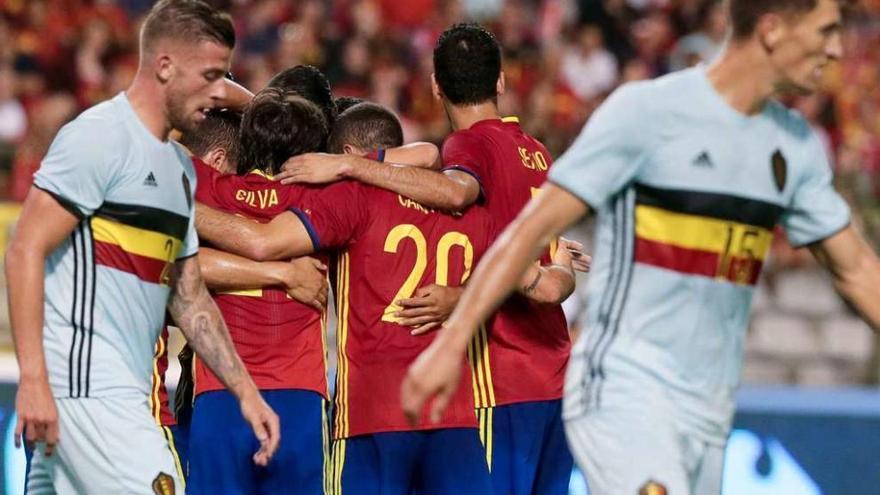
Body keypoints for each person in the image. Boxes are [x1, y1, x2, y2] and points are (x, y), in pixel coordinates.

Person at [401, 1, 880, 494]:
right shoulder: (649, 113)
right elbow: (528, 231)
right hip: (624, 391)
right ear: (774, 30)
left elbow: (858, 270)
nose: (839, 49)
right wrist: (452, 342)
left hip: (707, 408)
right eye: (826, 31)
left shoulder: (795, 146)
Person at [195, 102, 582, 494]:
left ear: (345, 155)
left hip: (369, 418)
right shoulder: (468, 211)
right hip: (453, 419)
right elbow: (548, 288)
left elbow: (265, 241)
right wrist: (552, 265)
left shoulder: (351, 199)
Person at [277, 24, 578, 495]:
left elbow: (458, 191)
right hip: (555, 376)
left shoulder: (468, 148)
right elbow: (551, 277)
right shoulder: (538, 153)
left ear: (435, 85)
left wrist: (349, 164)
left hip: (498, 381)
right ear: (501, 81)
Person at [7, 2, 279, 493]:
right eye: (211, 75)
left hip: (119, 394)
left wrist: (246, 392)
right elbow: (24, 248)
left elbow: (190, 297)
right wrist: (33, 380)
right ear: (165, 66)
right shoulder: (99, 138)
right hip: (84, 390)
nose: (220, 92)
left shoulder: (176, 169)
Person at [182, 89, 332, 494]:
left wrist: (259, 111)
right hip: (299, 396)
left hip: (220, 394)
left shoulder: (204, 185)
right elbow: (423, 157)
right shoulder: (324, 197)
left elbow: (158, 124)